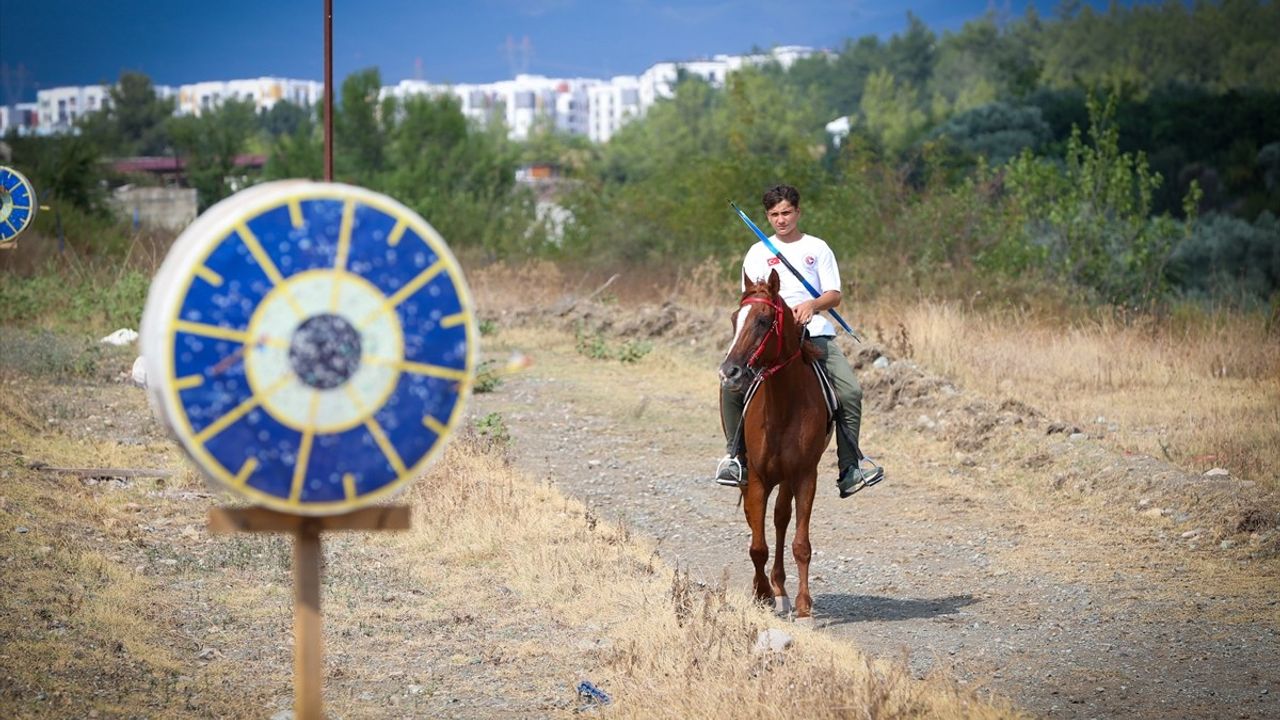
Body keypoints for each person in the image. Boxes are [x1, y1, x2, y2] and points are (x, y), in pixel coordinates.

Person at [714, 184, 884, 498]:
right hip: (766, 334)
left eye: (786, 212)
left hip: (813, 331)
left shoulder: (817, 248)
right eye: (775, 214)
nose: (781, 220)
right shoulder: (756, 253)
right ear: (767, 216)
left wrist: (810, 305)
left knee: (850, 391)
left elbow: (834, 294)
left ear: (798, 212)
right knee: (729, 382)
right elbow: (750, 297)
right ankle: (736, 458)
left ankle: (850, 467)